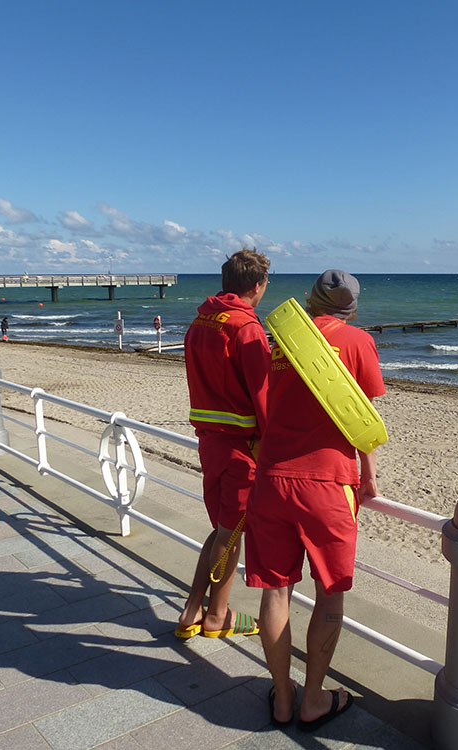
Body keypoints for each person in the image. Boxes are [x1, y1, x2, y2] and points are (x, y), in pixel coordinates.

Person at [246, 269, 385, 730]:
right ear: (352, 307)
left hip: (272, 478)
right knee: (329, 594)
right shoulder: (359, 342)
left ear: (310, 300)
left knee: (276, 589)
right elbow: (360, 417)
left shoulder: (285, 339)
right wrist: (368, 475)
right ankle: (313, 700)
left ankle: (282, 698)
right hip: (328, 482)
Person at [174, 248, 271, 641]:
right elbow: (262, 394)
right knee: (231, 534)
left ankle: (191, 610)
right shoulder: (245, 328)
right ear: (257, 286)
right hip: (241, 445)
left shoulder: (201, 321)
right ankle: (217, 616)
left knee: (220, 530)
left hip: (209, 441)